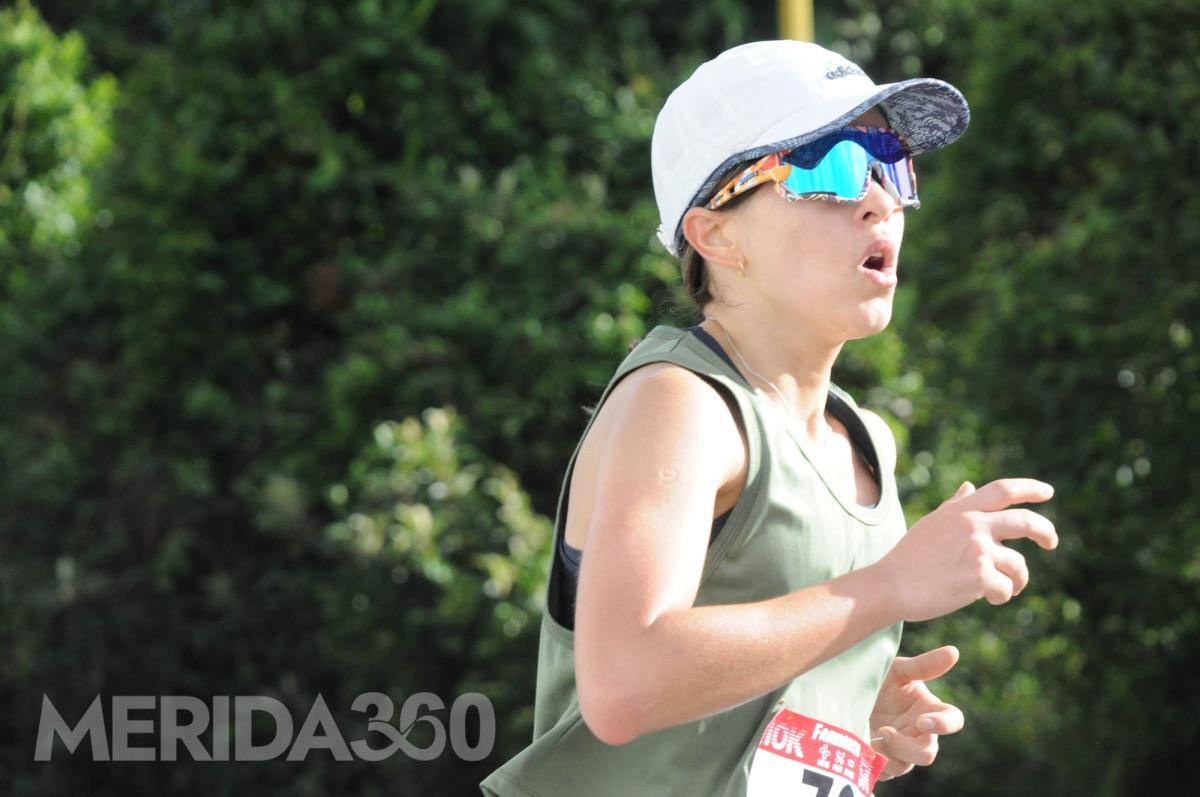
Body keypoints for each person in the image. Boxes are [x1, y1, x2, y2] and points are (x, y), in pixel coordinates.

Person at [481, 39, 1057, 797]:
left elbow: (718, 699)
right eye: (832, 166)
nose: (878, 199)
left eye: (891, 164)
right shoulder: (682, 401)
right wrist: (888, 587)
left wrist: (841, 706)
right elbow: (624, 682)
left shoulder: (867, 440)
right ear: (715, 235)